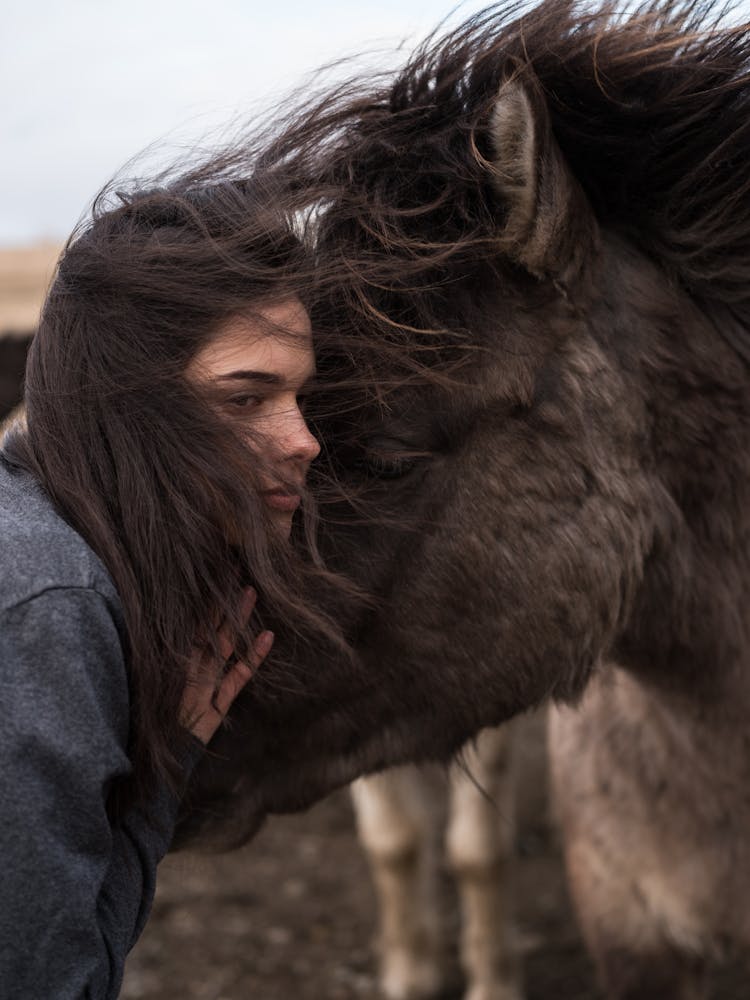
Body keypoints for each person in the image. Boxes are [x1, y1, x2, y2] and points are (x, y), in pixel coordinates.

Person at [0, 173, 332, 999]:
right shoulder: (51, 607)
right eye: (246, 397)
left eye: (299, 396)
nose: (304, 441)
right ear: (125, 408)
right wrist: (161, 782)